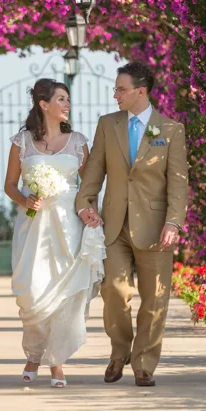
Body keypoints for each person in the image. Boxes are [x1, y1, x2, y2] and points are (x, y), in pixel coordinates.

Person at [75, 62, 188, 387]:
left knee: (155, 300)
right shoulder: (107, 124)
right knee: (114, 290)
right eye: (115, 89)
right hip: (113, 226)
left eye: (121, 89)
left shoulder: (170, 130)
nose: (115, 95)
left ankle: (144, 364)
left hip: (156, 228)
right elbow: (94, 170)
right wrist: (85, 204)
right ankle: (119, 352)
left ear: (141, 91)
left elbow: (178, 183)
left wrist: (173, 223)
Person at [4, 78, 106, 388]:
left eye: (68, 99)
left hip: (69, 226)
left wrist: (88, 210)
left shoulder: (78, 141)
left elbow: (87, 188)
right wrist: (26, 199)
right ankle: (34, 354)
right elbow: (10, 185)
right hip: (33, 224)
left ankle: (55, 362)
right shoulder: (21, 142)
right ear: (43, 104)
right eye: (61, 99)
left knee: (64, 295)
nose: (67, 104)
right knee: (33, 290)